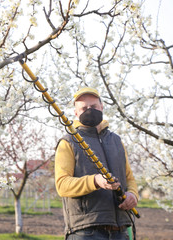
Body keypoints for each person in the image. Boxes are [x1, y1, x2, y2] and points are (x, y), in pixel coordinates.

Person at [55, 87, 139, 240]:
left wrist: (133, 195)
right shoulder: (68, 142)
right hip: (86, 231)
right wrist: (95, 181)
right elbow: (62, 185)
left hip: (120, 230)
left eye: (93, 107)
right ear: (76, 113)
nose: (89, 110)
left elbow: (129, 178)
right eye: (84, 108)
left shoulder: (116, 141)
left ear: (101, 107)